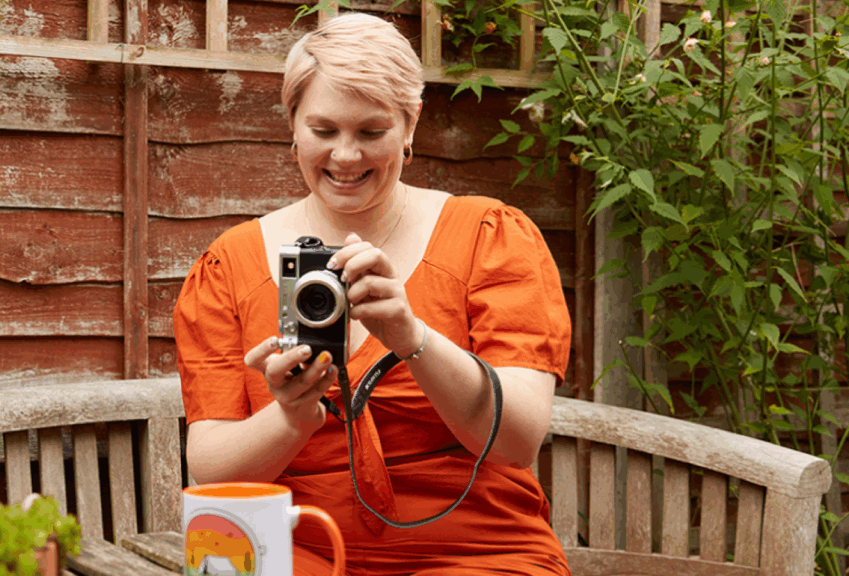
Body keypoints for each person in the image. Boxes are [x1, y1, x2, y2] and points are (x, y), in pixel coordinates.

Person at [173, 12, 572, 576]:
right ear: (292, 125)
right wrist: (290, 418)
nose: (345, 156)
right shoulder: (229, 265)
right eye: (324, 130)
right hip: (297, 547)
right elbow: (210, 472)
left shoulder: (490, 239)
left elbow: (518, 442)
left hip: (478, 552)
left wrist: (414, 338)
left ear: (410, 125)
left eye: (371, 132)